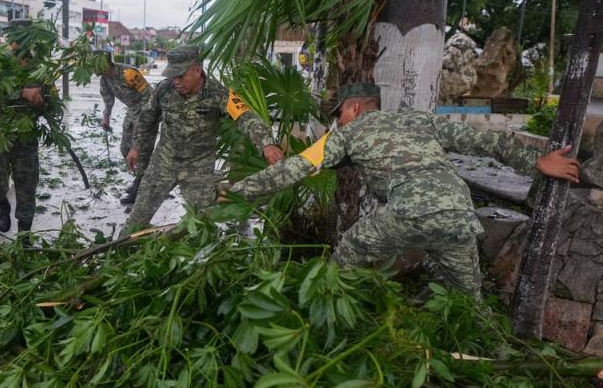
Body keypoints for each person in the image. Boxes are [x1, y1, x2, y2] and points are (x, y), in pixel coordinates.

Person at [222, 82, 581, 298]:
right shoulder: (417, 120)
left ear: (355, 107)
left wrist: (241, 191)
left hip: (409, 211)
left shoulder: (347, 132)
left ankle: (325, 305)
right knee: (467, 300)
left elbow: (297, 168)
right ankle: (486, 356)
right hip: (459, 213)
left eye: (339, 114)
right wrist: (535, 160)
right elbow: (482, 140)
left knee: (348, 250)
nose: (337, 121)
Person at [124, 45, 286, 229]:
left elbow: (246, 117)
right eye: (173, 76)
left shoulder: (219, 93)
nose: (176, 81)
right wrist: (136, 147)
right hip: (164, 162)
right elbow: (147, 119)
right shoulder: (164, 90)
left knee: (202, 224)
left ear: (197, 70)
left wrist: (266, 144)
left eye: (181, 75)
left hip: (198, 168)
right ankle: (121, 251)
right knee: (136, 220)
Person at [0, 20, 53, 237]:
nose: (17, 42)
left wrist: (42, 102)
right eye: (14, 37)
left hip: (27, 136)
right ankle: (2, 205)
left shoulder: (41, 67)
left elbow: (50, 102)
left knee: (27, 187)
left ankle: (24, 238)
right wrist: (21, 92)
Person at [98, 48, 153, 204]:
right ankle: (140, 180)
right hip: (133, 109)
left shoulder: (128, 73)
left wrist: (144, 121)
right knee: (125, 148)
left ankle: (139, 190)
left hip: (147, 109)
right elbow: (108, 99)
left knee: (141, 152)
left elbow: (149, 95)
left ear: (105, 63)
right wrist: (106, 117)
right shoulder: (105, 78)